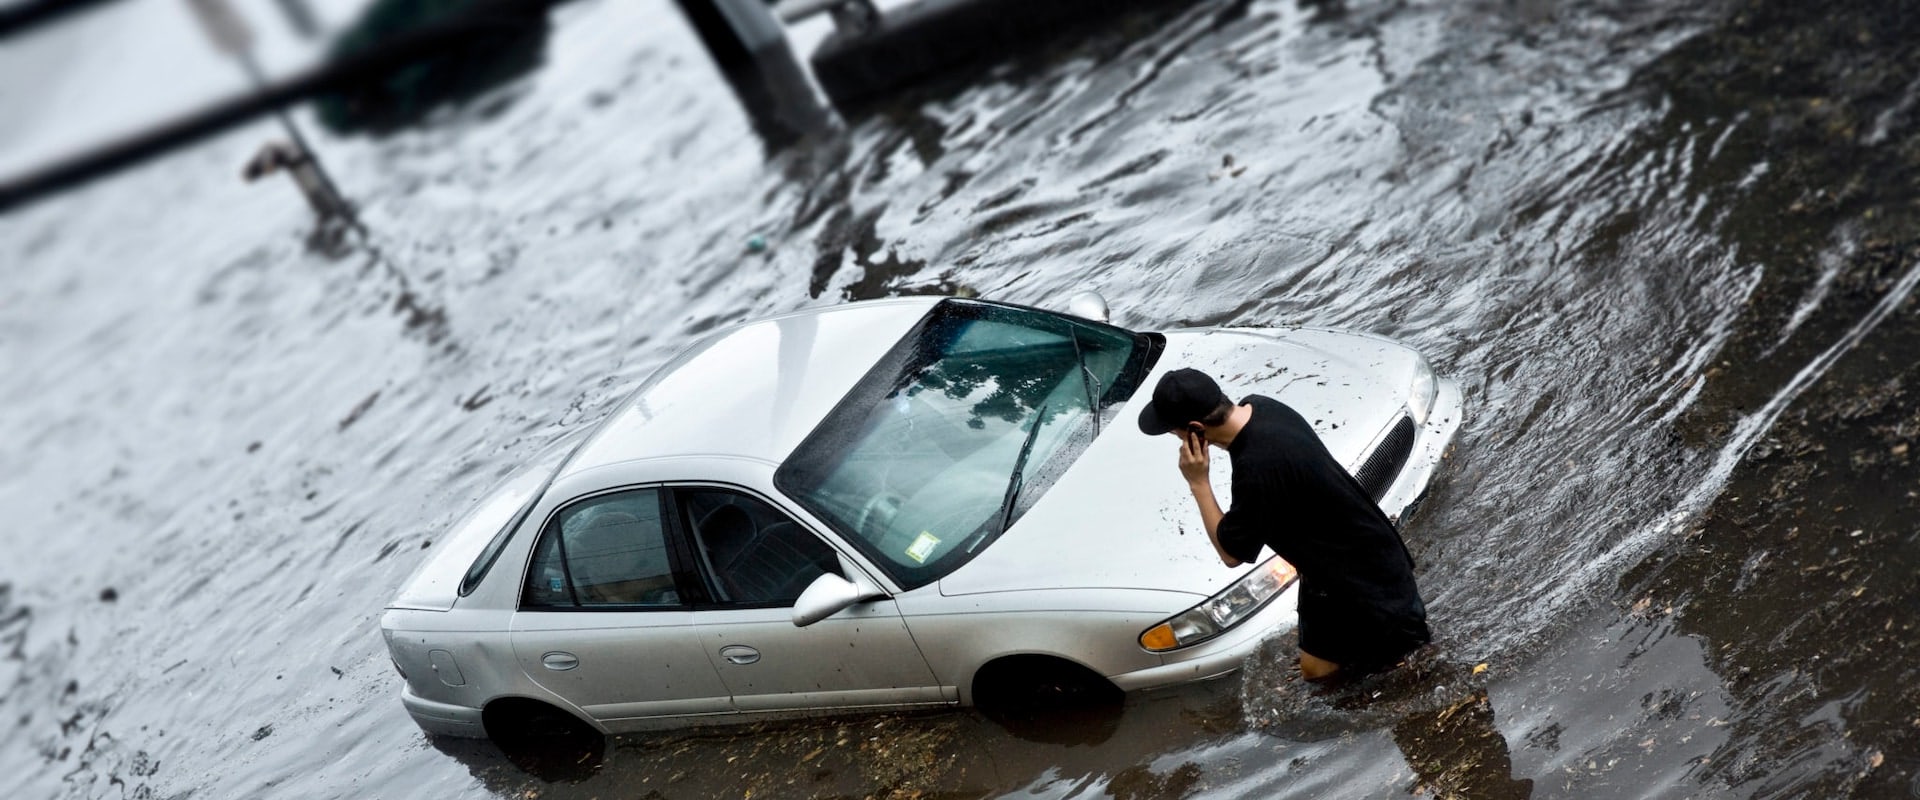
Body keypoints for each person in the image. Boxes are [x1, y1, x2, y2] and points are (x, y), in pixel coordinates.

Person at [1137, 368, 1430, 681]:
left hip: (1364, 583)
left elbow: (1231, 553)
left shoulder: (1257, 467)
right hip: (1340, 564)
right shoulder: (1263, 407)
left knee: (1405, 669)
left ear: (1195, 428)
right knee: (1317, 671)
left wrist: (1198, 482)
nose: (1178, 440)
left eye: (1176, 433)